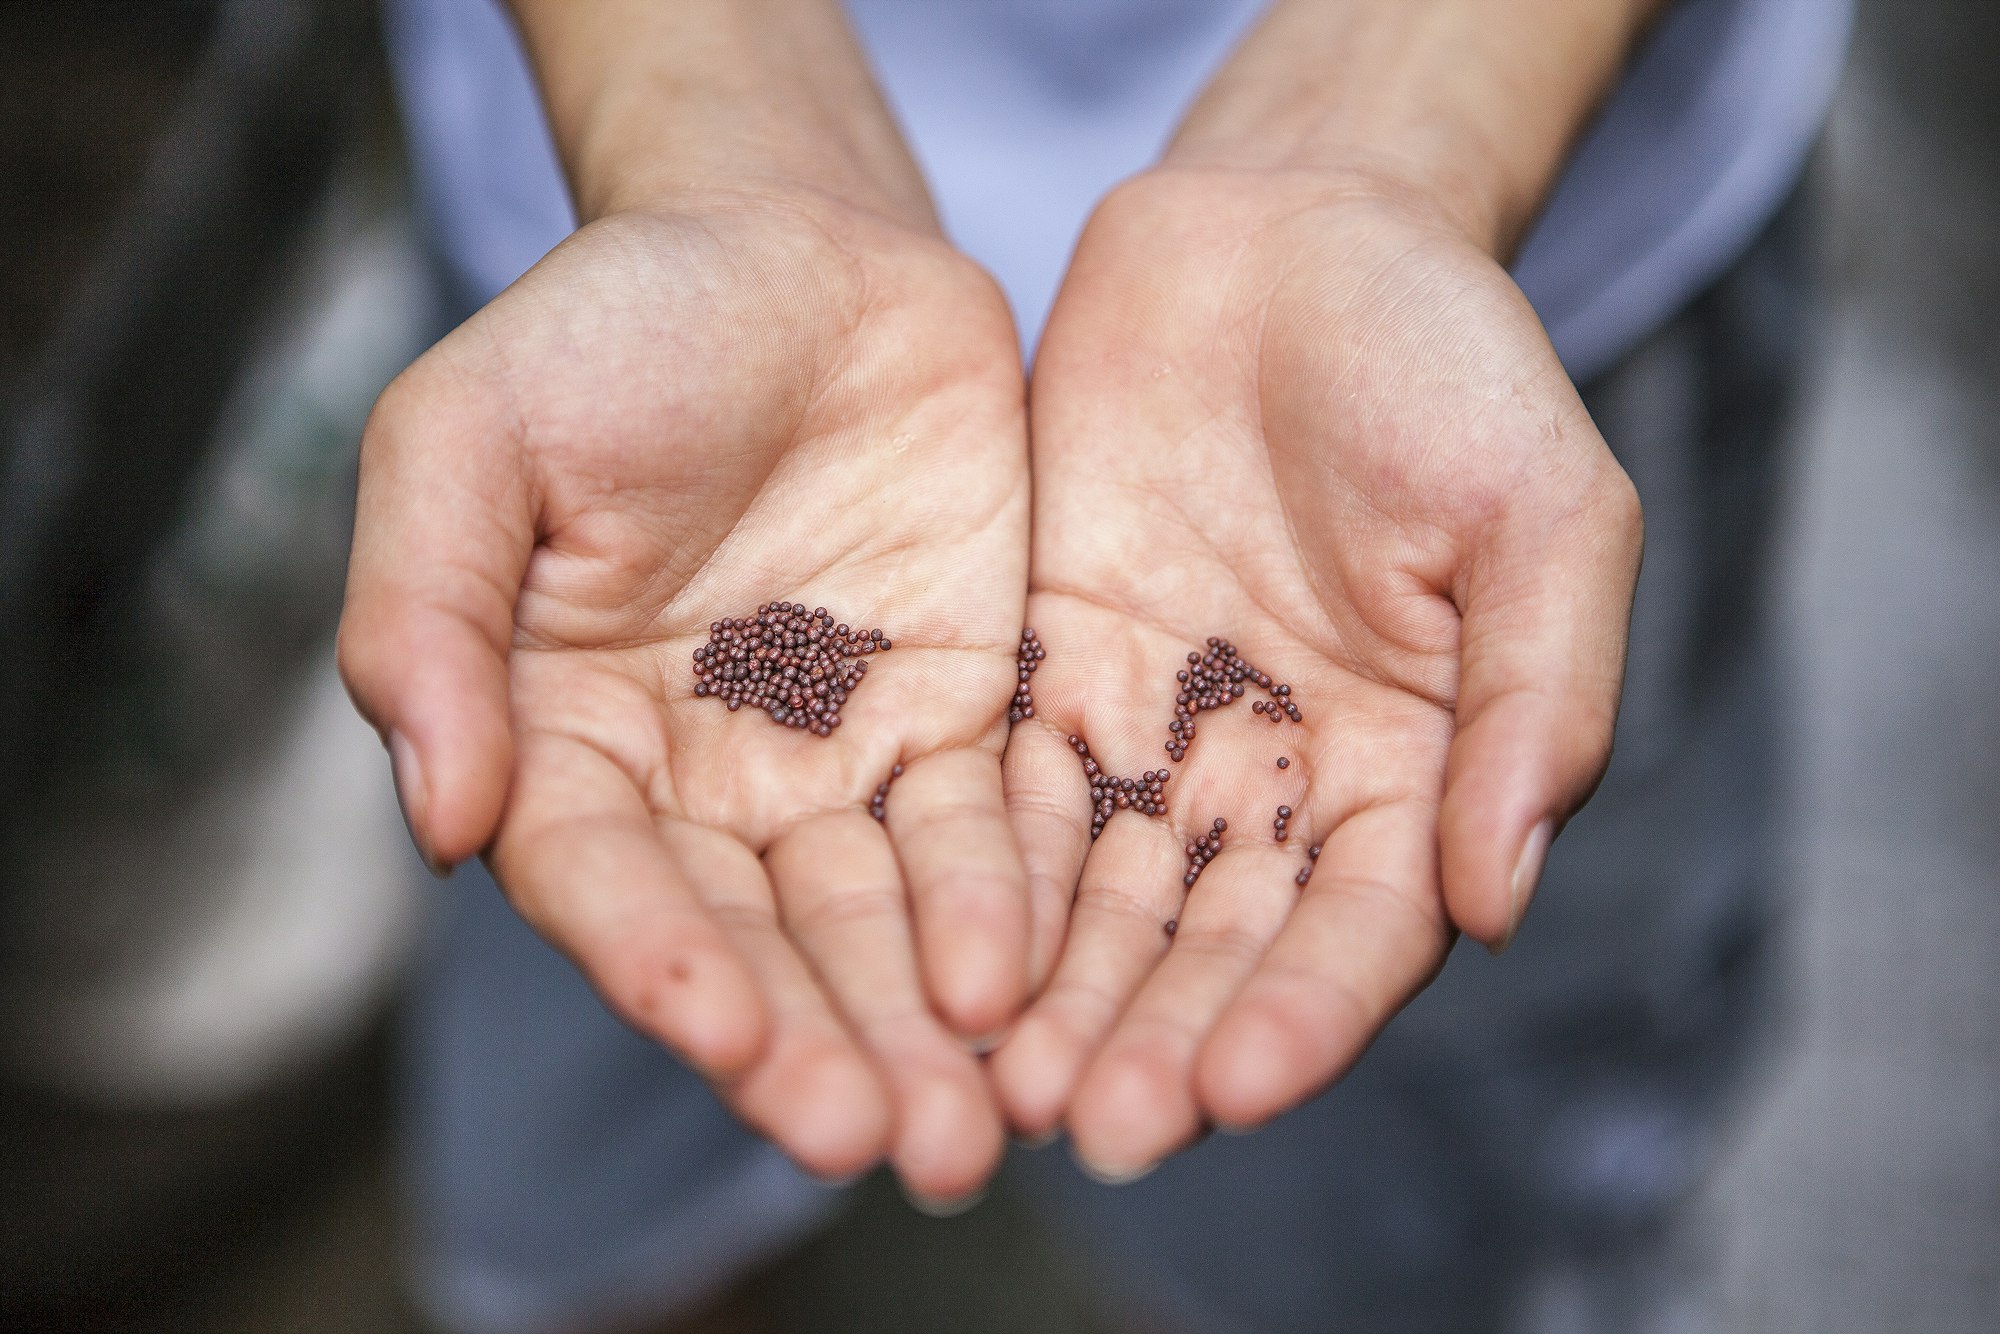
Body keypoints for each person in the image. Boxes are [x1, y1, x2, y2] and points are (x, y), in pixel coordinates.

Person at [338, 0, 1851, 1329]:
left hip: (1467, 314)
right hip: (662, 387)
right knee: (597, 1121)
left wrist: (1389, 130)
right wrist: (705, 117)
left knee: (1391, 1225)